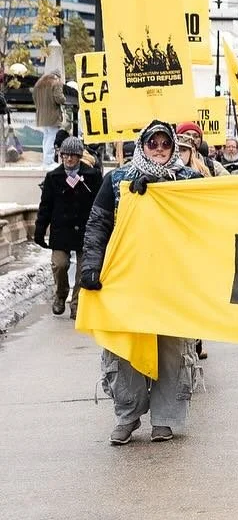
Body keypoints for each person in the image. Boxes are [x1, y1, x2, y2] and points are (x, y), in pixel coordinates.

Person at [80, 122, 204, 444]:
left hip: (174, 282)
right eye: (153, 143)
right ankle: (127, 415)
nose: (159, 149)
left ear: (173, 146)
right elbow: (98, 225)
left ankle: (165, 418)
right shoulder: (117, 180)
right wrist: (91, 265)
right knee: (125, 348)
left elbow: (208, 222)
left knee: (172, 350)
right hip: (129, 281)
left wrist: (166, 191)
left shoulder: (190, 181)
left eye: (165, 143)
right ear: (143, 146)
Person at [34, 136, 101, 318]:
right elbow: (45, 206)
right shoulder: (53, 177)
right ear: (61, 155)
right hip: (61, 230)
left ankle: (77, 303)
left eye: (73, 155)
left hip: (85, 229)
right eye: (66, 155)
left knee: (83, 269)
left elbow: (100, 204)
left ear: (79, 156)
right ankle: (60, 294)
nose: (69, 159)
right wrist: (40, 230)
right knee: (59, 264)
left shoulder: (92, 176)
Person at [33, 71, 64, 167]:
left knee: (46, 137)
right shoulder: (56, 83)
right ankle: (48, 162)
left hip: (41, 115)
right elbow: (59, 98)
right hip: (52, 115)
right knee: (51, 138)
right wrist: (64, 99)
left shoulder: (39, 84)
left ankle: (46, 161)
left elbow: (34, 98)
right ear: (57, 77)